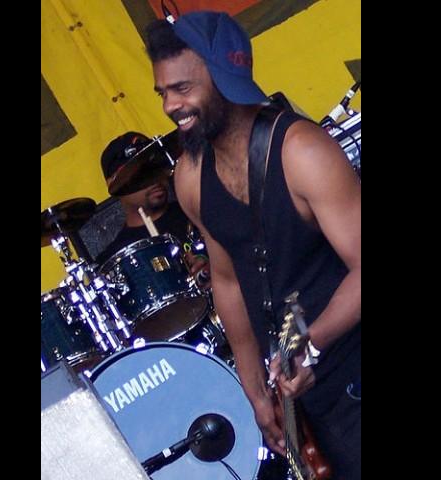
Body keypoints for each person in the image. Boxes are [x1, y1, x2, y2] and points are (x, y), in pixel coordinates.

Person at [145, 11, 361, 480]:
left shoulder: (301, 150)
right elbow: (226, 281)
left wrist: (312, 343)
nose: (170, 106)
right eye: (163, 92)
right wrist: (253, 387)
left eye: (182, 88)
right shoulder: (189, 177)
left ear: (223, 76)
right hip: (307, 395)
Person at [97, 131, 209, 287]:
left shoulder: (197, 206)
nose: (153, 178)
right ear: (115, 185)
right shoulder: (113, 261)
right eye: (140, 174)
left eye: (156, 166)